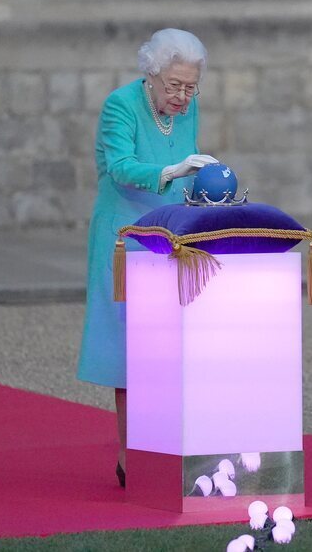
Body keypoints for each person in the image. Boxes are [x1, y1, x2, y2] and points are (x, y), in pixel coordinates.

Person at [77, 28, 217, 487]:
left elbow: (190, 163)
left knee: (173, 345)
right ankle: (130, 452)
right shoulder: (121, 104)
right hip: (127, 236)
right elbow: (120, 166)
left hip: (174, 231)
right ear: (151, 75)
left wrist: (210, 198)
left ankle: (175, 445)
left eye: (190, 86)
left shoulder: (188, 107)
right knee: (131, 347)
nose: (182, 96)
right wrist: (169, 172)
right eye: (174, 86)